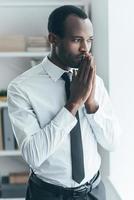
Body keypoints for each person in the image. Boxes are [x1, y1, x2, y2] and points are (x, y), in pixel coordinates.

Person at [7, 5, 121, 200]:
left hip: (93, 192)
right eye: (77, 40)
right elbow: (33, 156)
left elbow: (112, 142)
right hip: (48, 195)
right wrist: (74, 103)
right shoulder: (21, 88)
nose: (85, 48)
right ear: (53, 39)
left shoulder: (94, 82)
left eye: (89, 40)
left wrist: (91, 103)